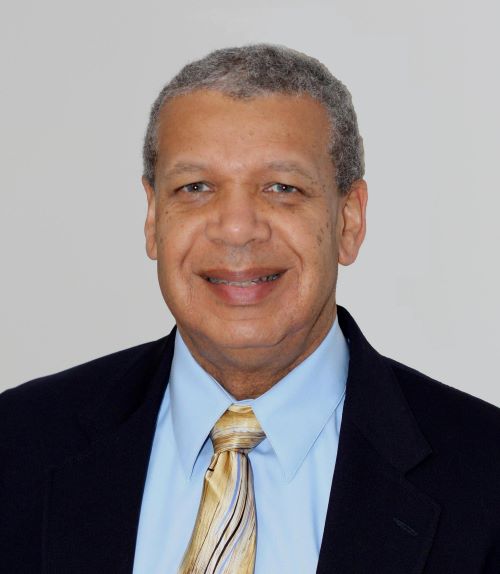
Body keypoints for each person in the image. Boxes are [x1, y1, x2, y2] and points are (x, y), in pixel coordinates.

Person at [1, 44, 499, 574]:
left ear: (348, 221)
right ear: (153, 218)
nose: (237, 228)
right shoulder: (17, 444)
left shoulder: (485, 475)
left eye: (282, 188)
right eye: (196, 187)